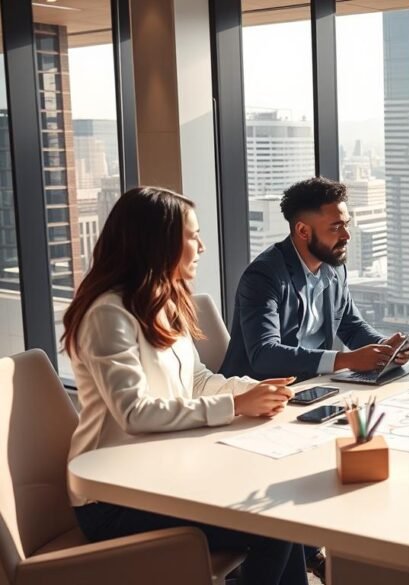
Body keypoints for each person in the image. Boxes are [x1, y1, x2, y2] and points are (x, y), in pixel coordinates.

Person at [63, 187, 308, 585]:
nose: (202, 247)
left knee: (284, 509)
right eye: (193, 237)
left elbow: (195, 380)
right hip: (112, 498)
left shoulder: (162, 302)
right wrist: (236, 407)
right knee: (275, 526)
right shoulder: (108, 315)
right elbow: (134, 413)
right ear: (158, 242)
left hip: (159, 475)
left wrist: (255, 392)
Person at [220, 177, 409, 382]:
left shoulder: (335, 268)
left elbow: (352, 326)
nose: (347, 235)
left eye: (346, 224)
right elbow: (264, 354)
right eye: (335, 227)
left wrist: (386, 347)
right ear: (303, 231)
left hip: (311, 386)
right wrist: (345, 360)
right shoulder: (263, 276)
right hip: (257, 394)